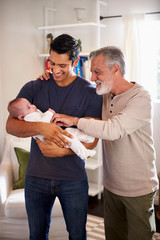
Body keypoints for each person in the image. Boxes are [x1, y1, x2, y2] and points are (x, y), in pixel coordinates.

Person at [49, 46, 159, 240]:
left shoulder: (141, 98)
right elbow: (76, 86)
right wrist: (52, 76)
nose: (92, 77)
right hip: (111, 185)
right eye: (91, 71)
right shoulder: (103, 94)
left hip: (138, 189)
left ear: (115, 69)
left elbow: (113, 130)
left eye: (97, 71)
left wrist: (75, 120)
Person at [6, 33, 102, 240]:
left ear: (75, 62)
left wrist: (62, 151)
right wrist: (42, 128)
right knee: (37, 235)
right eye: (52, 63)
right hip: (36, 178)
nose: (55, 70)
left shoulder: (91, 93)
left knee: (77, 235)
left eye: (62, 65)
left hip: (73, 179)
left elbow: (93, 139)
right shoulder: (34, 87)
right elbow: (10, 125)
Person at [7, 97, 96, 160]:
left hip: (55, 132)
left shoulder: (31, 113)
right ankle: (84, 153)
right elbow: (43, 124)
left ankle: (87, 137)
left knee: (70, 132)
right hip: (52, 139)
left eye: (30, 103)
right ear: (21, 117)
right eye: (29, 107)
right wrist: (49, 113)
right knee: (71, 140)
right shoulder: (29, 117)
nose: (33, 106)